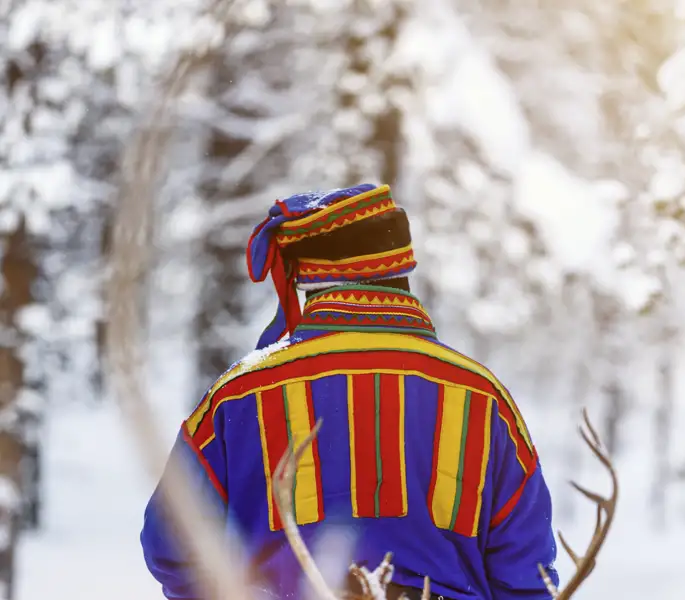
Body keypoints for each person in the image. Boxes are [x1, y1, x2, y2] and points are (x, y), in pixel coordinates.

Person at [140, 184, 559, 599]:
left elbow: (172, 548)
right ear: (401, 273)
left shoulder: (239, 394)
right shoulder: (483, 398)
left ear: (308, 281)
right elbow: (528, 578)